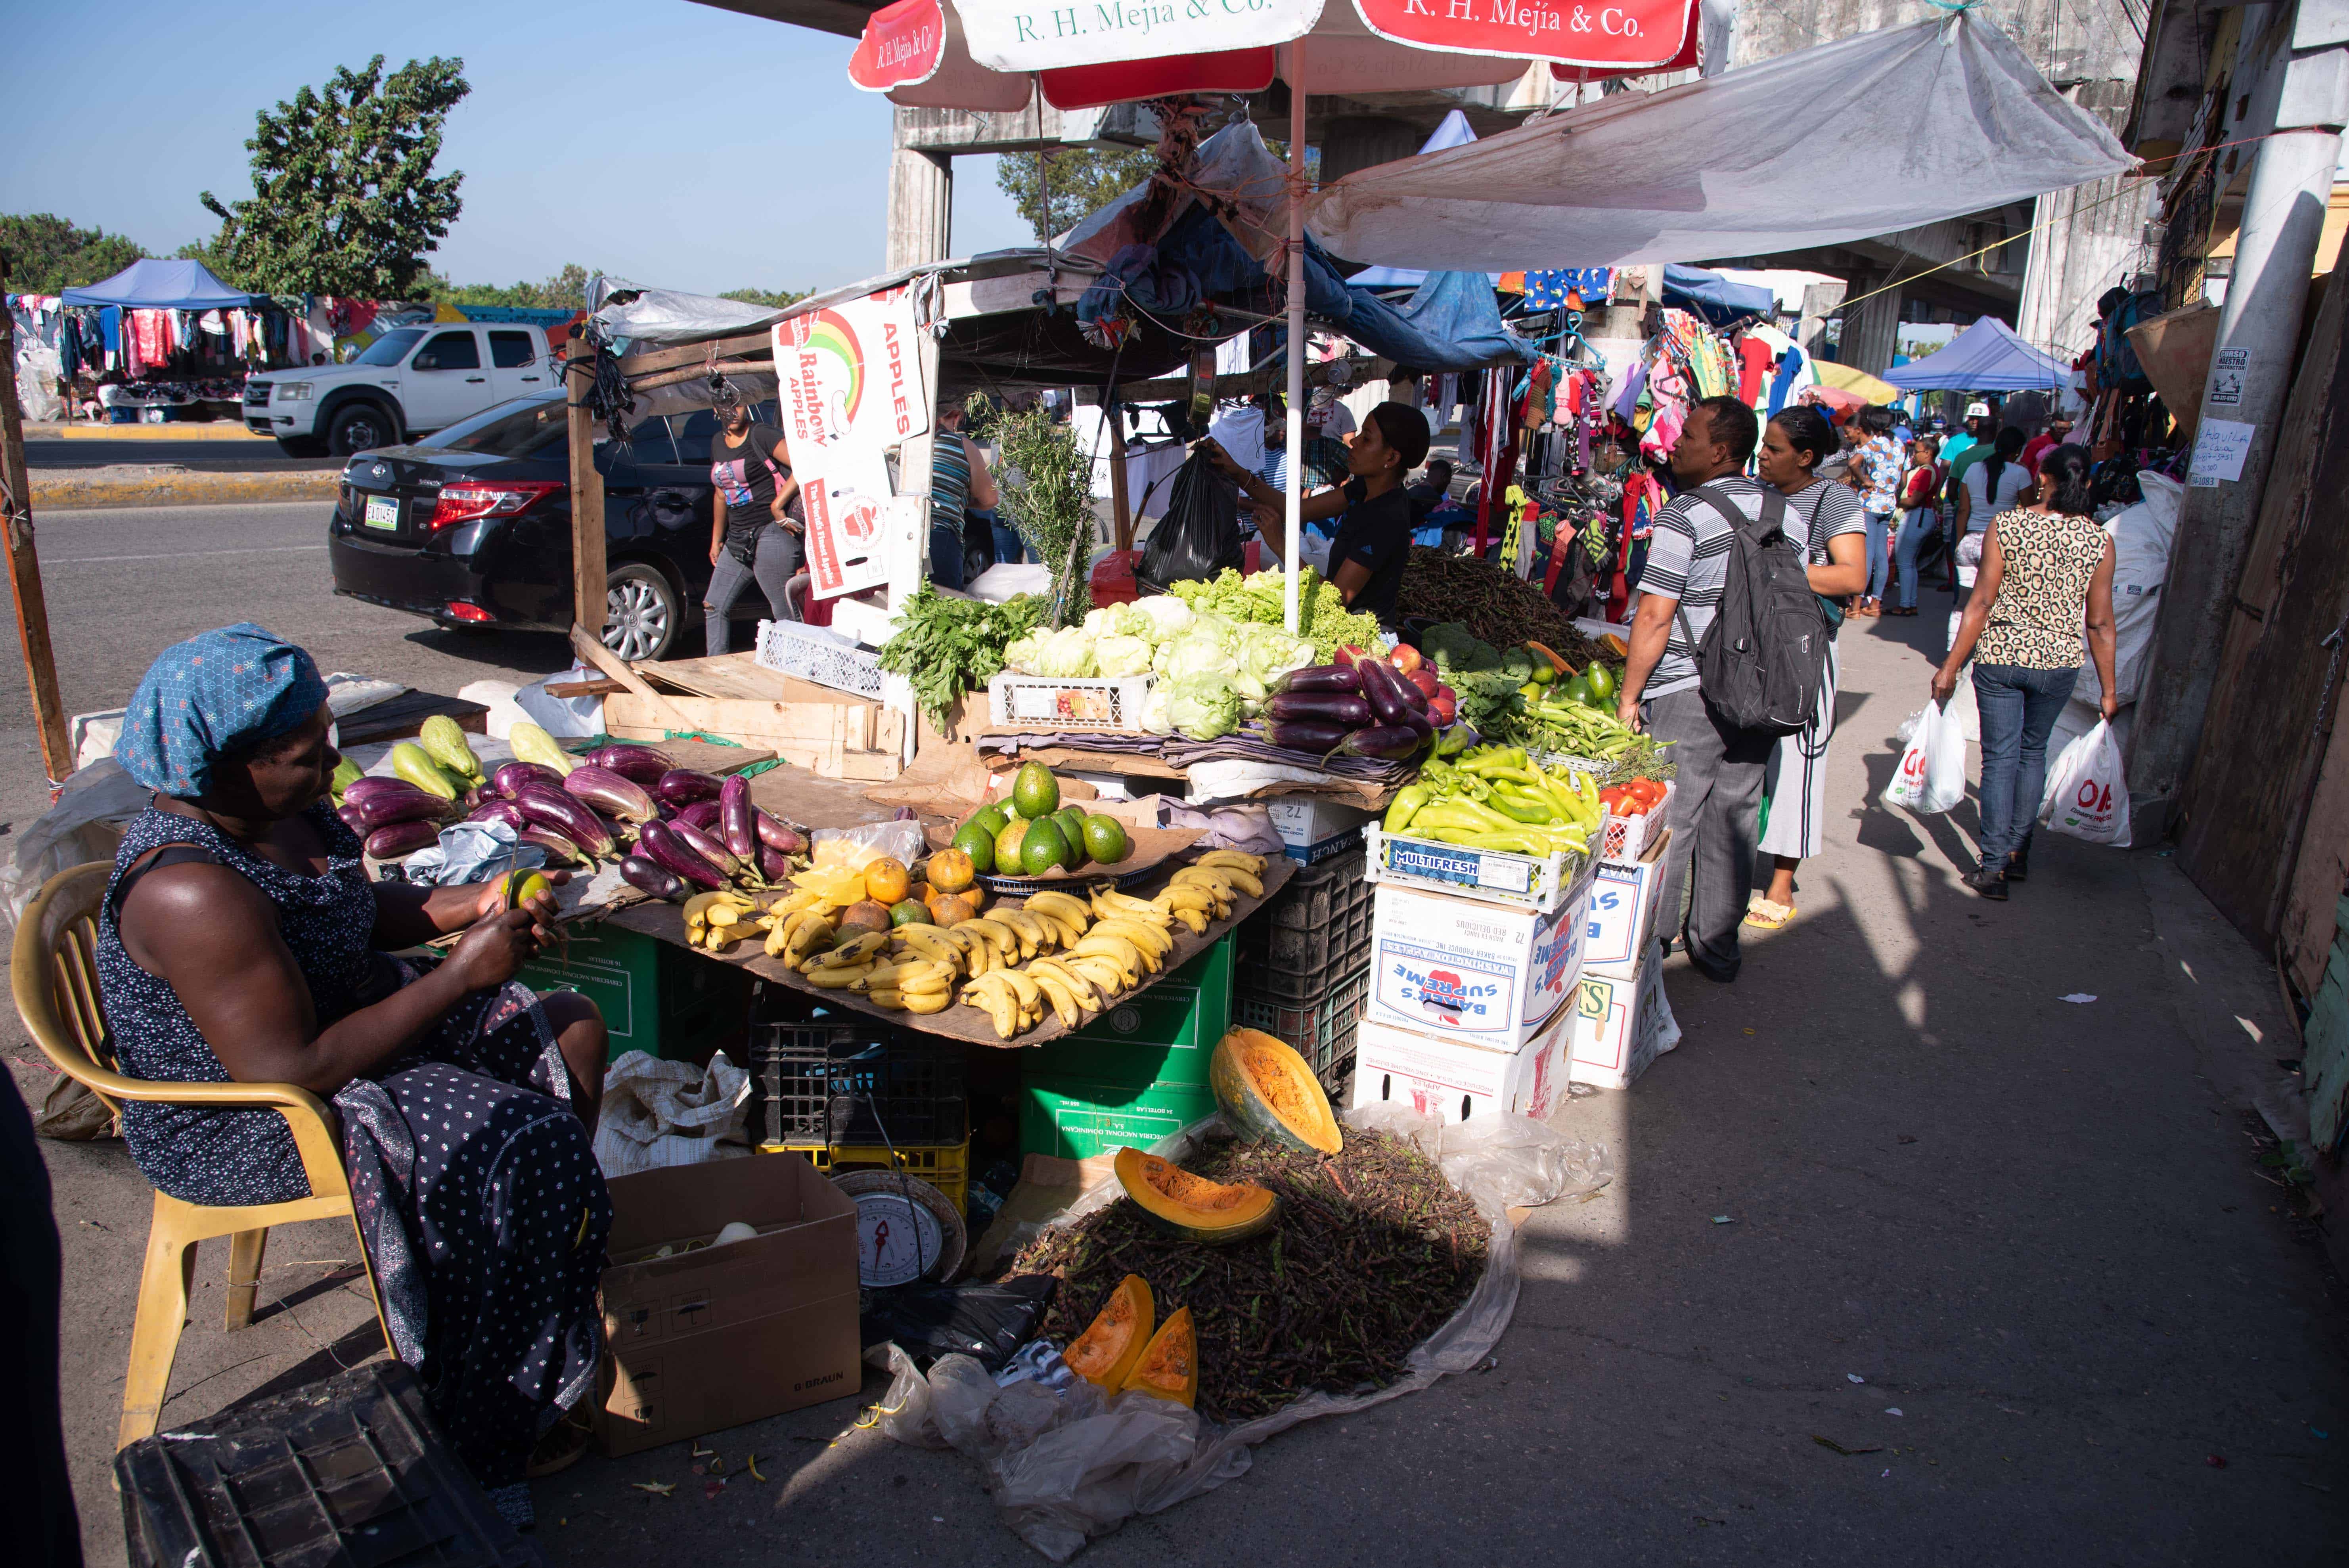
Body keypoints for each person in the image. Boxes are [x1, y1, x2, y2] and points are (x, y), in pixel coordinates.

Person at [98, 626, 611, 1522]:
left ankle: (518, 1300)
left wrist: (479, 902)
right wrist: (459, 973)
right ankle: (482, 1407)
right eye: (302, 755)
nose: (330, 760)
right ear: (219, 769)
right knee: (520, 1142)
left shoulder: (277, 814)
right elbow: (289, 1068)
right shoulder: (189, 892)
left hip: (344, 1028)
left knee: (567, 1030)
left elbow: (353, 909)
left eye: (327, 734)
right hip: (251, 1115)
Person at [1613, 395, 1782, 982]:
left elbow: (1655, 614)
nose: (1674, 443)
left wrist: (1631, 694)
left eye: (1687, 435)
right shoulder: (1780, 508)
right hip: (1765, 688)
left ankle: (1652, 942)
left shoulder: (1683, 514)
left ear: (1719, 450)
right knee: (1735, 812)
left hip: (1693, 685)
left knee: (1674, 815)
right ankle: (1716, 945)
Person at [1931, 446, 2119, 898]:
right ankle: (2018, 853)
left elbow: (1981, 602)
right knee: (2033, 754)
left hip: (2002, 658)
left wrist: (1951, 666)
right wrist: (2110, 690)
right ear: (2087, 484)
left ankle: (1992, 866)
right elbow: (2099, 622)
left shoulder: (2009, 524)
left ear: (2042, 478)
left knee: (1999, 758)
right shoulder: (2099, 540)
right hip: (2059, 663)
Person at [1746, 405, 1868, 932]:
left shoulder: (1834, 498)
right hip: (1747, 642)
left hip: (1804, 647)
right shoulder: (1753, 493)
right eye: (1763, 446)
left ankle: (1780, 880)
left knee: (1798, 761)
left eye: (1774, 449)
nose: (1763, 456)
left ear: (1807, 456)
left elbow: (1850, 577)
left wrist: (1779, 567)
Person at [1210, 401, 1430, 624]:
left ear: (1391, 459)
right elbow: (1298, 509)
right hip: (1340, 622)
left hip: (1364, 636)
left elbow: (1334, 599)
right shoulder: (1364, 488)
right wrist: (1236, 472)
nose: (1354, 441)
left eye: (1367, 438)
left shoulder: (1385, 518)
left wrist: (1280, 544)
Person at [705, 391, 799, 652]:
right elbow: (720, 494)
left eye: (738, 404)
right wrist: (717, 540)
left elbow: (803, 464)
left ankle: (802, 672)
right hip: (737, 539)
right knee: (714, 605)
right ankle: (717, 676)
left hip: (770, 532)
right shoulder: (717, 443)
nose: (732, 411)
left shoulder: (761, 434)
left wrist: (778, 505)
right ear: (715, 410)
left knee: (784, 612)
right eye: (725, 405)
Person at [929, 401, 1000, 590]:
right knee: (944, 605)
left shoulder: (908, 442)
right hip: (941, 537)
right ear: (957, 417)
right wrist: (964, 502)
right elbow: (991, 498)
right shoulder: (963, 446)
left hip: (903, 535)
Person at [1851, 405, 1904, 616]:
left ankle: (1855, 606)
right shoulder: (1900, 444)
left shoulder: (1874, 444)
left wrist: (1865, 480)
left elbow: (1853, 462)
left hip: (1870, 503)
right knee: (1882, 555)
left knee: (1866, 552)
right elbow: (1904, 476)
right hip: (1889, 503)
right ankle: (1875, 604)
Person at [1953, 426, 2032, 566]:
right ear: (2019, 450)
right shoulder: (2021, 473)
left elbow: (1963, 510)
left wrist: (1960, 542)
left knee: (1968, 588)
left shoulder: (1973, 469)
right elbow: (2030, 510)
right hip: (2002, 540)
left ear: (1995, 446)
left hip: (1971, 540)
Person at [1889, 433, 1945, 616]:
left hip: (1917, 517)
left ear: (1928, 453)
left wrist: (1897, 501)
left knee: (1905, 562)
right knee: (1909, 563)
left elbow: (1914, 500)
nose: (1914, 455)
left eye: (1918, 452)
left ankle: (1906, 604)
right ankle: (1909, 603)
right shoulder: (1930, 469)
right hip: (1921, 516)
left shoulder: (1927, 471)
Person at [1407, 458, 1457, 525]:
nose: (1446, 487)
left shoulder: (1411, 491)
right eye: (1448, 482)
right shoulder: (1435, 499)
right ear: (1444, 477)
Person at [2022, 413, 2072, 477]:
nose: (2062, 432)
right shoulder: (2036, 443)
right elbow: (2024, 467)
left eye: (2066, 430)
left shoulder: (2071, 445)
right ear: (2051, 428)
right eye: (2059, 429)